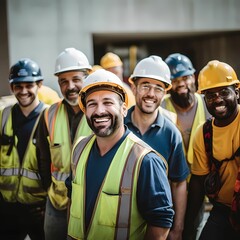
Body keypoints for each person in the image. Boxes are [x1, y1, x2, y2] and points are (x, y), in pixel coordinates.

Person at [67, 69, 174, 240]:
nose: (99, 111)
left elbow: (160, 223)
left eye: (108, 102)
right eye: (92, 104)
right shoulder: (79, 148)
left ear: (123, 109)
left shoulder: (145, 160)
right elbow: (72, 200)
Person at [125, 55, 190, 240]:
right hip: (121, 223)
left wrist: (177, 229)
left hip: (158, 226)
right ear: (134, 86)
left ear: (164, 93)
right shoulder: (119, 127)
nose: (151, 94)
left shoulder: (171, 133)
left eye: (158, 88)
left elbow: (178, 183)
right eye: (145, 85)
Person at [35, 47, 93, 240]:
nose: (70, 87)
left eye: (76, 79)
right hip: (57, 202)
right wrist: (48, 192)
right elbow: (43, 158)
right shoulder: (49, 114)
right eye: (63, 81)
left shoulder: (100, 112)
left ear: (87, 78)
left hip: (91, 203)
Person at [183, 60, 240, 240]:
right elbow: (198, 181)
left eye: (224, 92)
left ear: (237, 93)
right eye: (210, 95)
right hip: (223, 209)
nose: (217, 99)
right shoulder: (203, 133)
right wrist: (188, 226)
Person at [162, 53, 211, 238]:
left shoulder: (207, 105)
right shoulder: (161, 107)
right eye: (175, 79)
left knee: (191, 230)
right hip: (168, 187)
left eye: (185, 77)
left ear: (194, 77)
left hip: (199, 185)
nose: (181, 83)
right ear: (168, 84)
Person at [0, 58, 47, 239]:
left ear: (39, 84)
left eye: (29, 85)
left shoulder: (50, 116)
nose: (23, 91)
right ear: (12, 88)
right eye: (18, 86)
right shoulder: (3, 116)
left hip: (38, 208)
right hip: (7, 207)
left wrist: (49, 204)